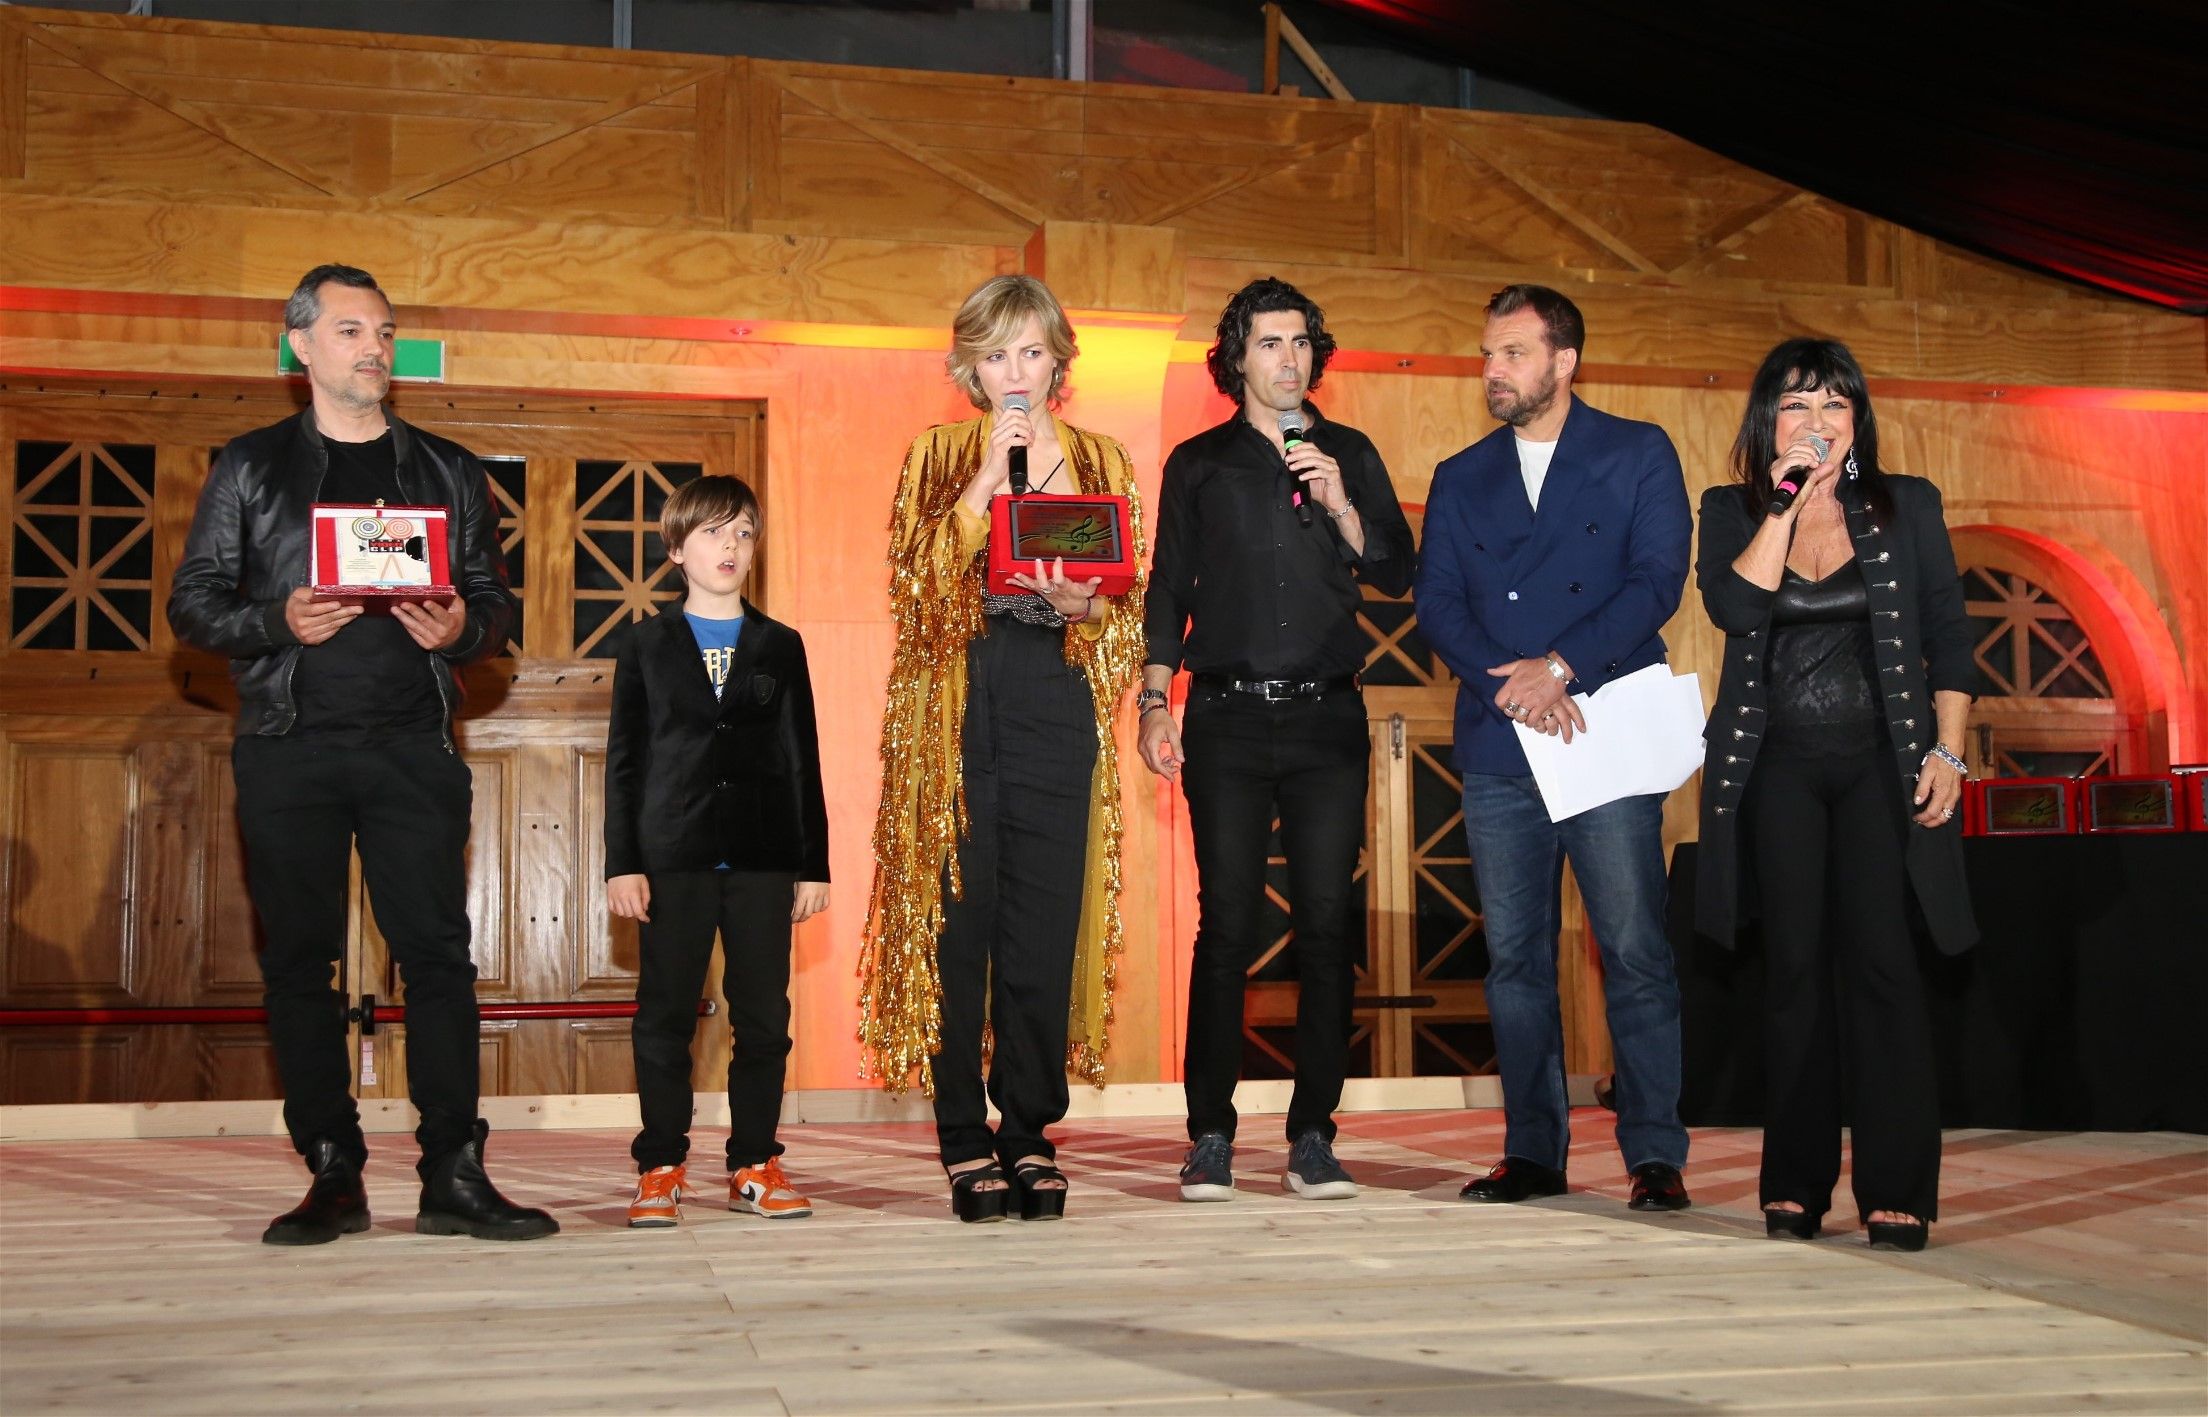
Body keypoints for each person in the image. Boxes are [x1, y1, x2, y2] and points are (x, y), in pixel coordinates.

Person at [168, 264, 557, 1243]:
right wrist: (277, 618)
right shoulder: (251, 466)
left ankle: (454, 1172)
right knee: (300, 963)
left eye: (383, 331)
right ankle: (332, 1171)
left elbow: (495, 603)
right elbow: (192, 604)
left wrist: (464, 627)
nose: (374, 347)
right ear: (300, 346)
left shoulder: (446, 468)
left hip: (412, 747)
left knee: (439, 959)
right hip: (287, 748)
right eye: (350, 331)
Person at [858, 274, 1145, 1223]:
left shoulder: (1103, 459)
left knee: (1043, 919)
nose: (1015, 372)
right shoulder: (938, 453)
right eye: (995, 355)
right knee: (959, 916)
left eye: (1031, 352)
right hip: (958, 696)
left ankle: (1027, 1129)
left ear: (1059, 359)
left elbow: (1128, 612)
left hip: (1056, 692)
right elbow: (915, 591)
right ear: (969, 368)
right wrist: (984, 482)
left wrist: (1084, 609)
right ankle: (961, 1136)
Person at [1414, 283, 1694, 1213]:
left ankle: (1654, 1154)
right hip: (1503, 739)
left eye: (1514, 353)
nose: (1493, 370)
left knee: (1634, 948)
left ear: (1564, 361)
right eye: (1487, 354)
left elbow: (1658, 578)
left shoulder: (1636, 451)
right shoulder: (1461, 474)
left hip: (1601, 727)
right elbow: (1435, 603)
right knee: (1516, 961)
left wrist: (1563, 667)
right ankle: (1532, 1151)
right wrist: (1515, 683)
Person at [1695, 337, 1977, 1252]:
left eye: (1833, 405)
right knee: (1795, 976)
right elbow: (1735, 609)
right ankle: (1795, 1184)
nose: (1815, 422)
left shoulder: (1907, 505)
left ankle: (1897, 1189)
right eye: (1795, 405)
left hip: (1879, 767)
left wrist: (1948, 750)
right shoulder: (1733, 509)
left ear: (1857, 421)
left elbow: (1948, 636)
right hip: (1776, 768)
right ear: (1767, 421)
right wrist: (1783, 503)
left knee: (1884, 968)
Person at [1138, 277, 1415, 1203]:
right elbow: (1168, 587)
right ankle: (1210, 1134)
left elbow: (1396, 570)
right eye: (1268, 342)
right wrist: (1153, 700)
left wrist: (1342, 504)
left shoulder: (1350, 452)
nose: (1288, 359)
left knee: (1327, 925)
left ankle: (1313, 1135)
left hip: (1327, 720)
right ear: (1237, 357)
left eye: (1300, 342)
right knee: (1227, 926)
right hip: (1224, 716)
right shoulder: (1199, 462)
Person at [604, 475, 830, 1228]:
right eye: (712, 532)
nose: (731, 546)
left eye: (743, 533)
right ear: (676, 549)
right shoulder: (645, 645)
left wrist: (813, 864)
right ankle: (660, 1166)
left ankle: (754, 1163)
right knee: (665, 1015)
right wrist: (623, 861)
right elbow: (626, 761)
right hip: (672, 857)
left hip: (764, 858)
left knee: (763, 1018)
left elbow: (802, 759)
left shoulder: (781, 645)